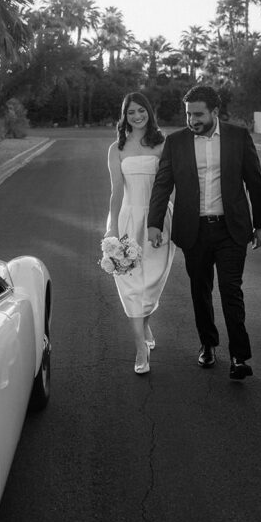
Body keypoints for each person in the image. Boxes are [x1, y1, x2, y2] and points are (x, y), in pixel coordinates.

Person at [147, 84, 261, 381]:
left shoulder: (238, 137)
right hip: (195, 230)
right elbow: (163, 184)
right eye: (189, 114)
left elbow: (254, 180)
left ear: (215, 111)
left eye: (199, 114)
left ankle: (239, 356)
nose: (192, 120)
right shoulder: (175, 143)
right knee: (200, 291)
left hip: (231, 229)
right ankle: (208, 343)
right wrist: (154, 223)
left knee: (231, 291)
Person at [105, 92, 175, 375]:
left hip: (158, 218)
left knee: (152, 281)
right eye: (131, 112)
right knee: (130, 283)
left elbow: (172, 185)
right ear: (125, 116)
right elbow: (116, 190)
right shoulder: (116, 148)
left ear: (149, 112)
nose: (137, 116)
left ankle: (145, 324)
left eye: (141, 111)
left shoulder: (161, 144)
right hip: (127, 217)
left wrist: (179, 217)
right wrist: (112, 228)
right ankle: (140, 348)